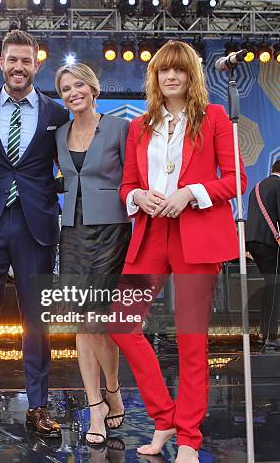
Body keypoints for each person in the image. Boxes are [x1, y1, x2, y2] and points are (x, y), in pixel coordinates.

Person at [109, 40, 246, 463]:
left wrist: (191, 192)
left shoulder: (215, 118)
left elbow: (237, 178)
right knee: (119, 323)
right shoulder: (139, 126)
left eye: (179, 70)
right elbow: (126, 185)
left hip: (196, 237)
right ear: (154, 77)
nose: (170, 76)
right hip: (151, 234)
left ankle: (188, 437)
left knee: (190, 340)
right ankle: (163, 417)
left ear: (191, 75)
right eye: (163, 71)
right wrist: (138, 199)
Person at [0, 30, 69, 443]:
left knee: (36, 323)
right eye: (13, 60)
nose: (19, 67)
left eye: (27, 61)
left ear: (37, 64)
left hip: (36, 225)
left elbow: (71, 166)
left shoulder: (56, 114)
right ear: (0, 61)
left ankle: (39, 407)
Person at [54, 63, 131, 446]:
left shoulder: (120, 127)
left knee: (100, 322)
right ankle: (95, 405)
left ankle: (113, 389)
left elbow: (133, 179)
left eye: (78, 84)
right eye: (65, 88)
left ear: (94, 87)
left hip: (112, 232)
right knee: (80, 323)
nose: (72, 92)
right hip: (72, 233)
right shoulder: (59, 134)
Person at [246, 160, 280, 349]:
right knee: (275, 288)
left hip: (254, 242)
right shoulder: (278, 184)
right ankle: (272, 336)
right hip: (268, 243)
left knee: (271, 287)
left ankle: (264, 333)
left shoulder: (258, 186)